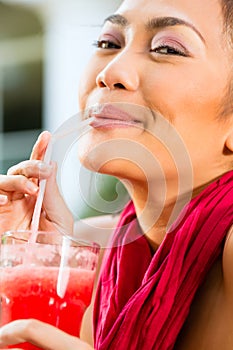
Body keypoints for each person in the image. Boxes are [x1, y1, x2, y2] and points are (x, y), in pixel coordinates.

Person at [1, 0, 233, 348]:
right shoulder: (93, 251)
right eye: (109, 43)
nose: (110, 72)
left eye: (167, 48)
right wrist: (37, 265)